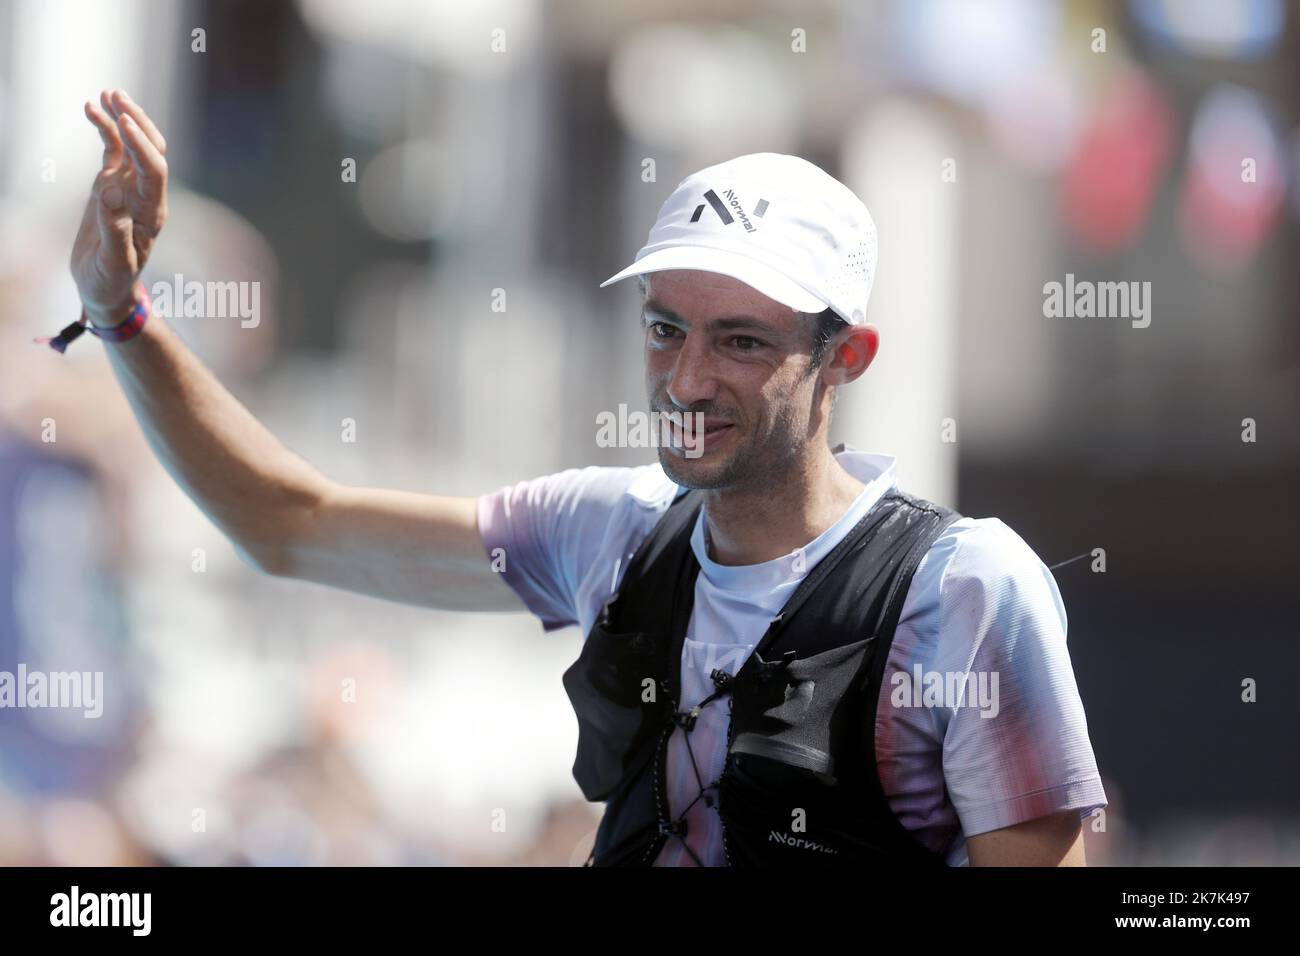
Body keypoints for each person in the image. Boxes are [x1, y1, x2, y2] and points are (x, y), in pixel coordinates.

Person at [56, 89, 1106, 867]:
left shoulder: (963, 586)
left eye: (740, 341)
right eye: (663, 329)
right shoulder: (613, 527)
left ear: (847, 357)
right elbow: (290, 524)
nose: (687, 378)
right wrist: (119, 314)